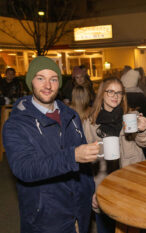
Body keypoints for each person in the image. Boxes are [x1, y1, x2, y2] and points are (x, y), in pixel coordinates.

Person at [3, 56, 99, 233]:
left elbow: (85, 164)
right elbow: (25, 168)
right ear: (30, 81)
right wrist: (72, 156)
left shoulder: (71, 115)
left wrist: (91, 192)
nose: (47, 86)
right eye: (40, 78)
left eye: (53, 79)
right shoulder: (16, 124)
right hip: (46, 220)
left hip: (79, 211)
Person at [82, 76, 146, 233]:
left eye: (119, 93)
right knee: (107, 228)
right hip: (105, 185)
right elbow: (86, 164)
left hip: (134, 183)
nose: (115, 96)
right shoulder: (90, 123)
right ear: (102, 93)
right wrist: (92, 192)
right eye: (111, 92)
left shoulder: (131, 117)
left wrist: (144, 128)